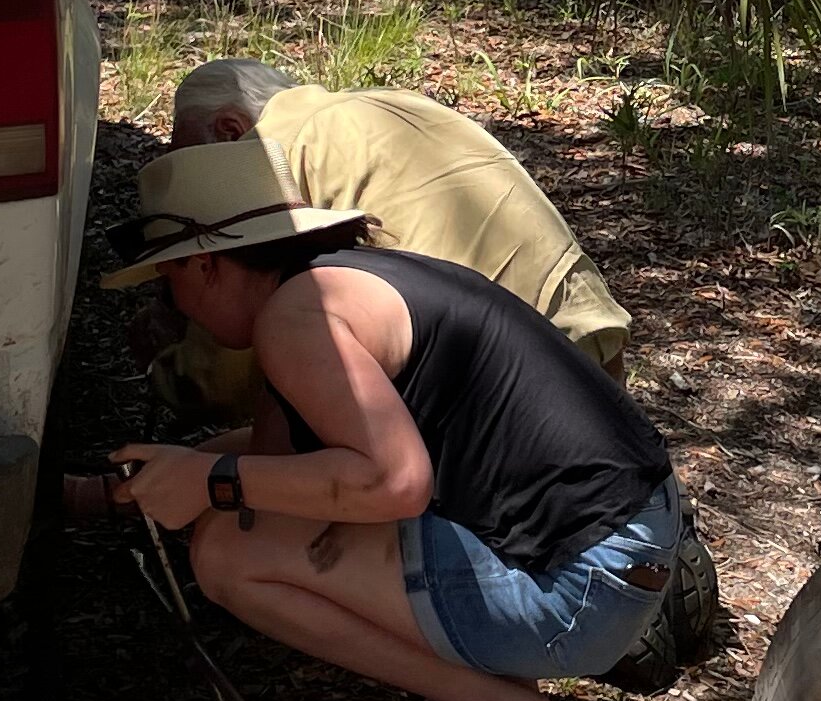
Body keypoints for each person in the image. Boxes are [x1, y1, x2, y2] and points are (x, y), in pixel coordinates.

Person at [103, 137, 680, 701]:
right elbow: (281, 459)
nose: (176, 309)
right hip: (628, 547)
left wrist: (211, 484)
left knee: (228, 553)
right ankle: (463, 689)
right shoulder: (333, 282)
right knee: (260, 515)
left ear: (205, 265)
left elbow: (393, 482)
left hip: (581, 590)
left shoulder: (299, 320)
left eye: (169, 282)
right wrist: (147, 482)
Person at [142, 60, 629, 429]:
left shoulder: (268, 160)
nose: (193, 184)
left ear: (231, 129)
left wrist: (169, 368)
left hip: (493, 387)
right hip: (587, 338)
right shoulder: (385, 103)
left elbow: (245, 356)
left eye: (190, 161)